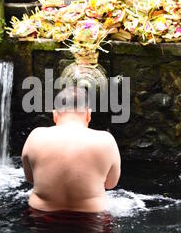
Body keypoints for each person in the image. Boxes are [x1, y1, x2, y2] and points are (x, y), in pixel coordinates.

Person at [22, 86, 121, 214]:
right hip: (92, 218)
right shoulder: (106, 140)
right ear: (88, 114)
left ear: (55, 115)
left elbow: (31, 179)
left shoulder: (35, 136)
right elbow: (110, 184)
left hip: (43, 216)